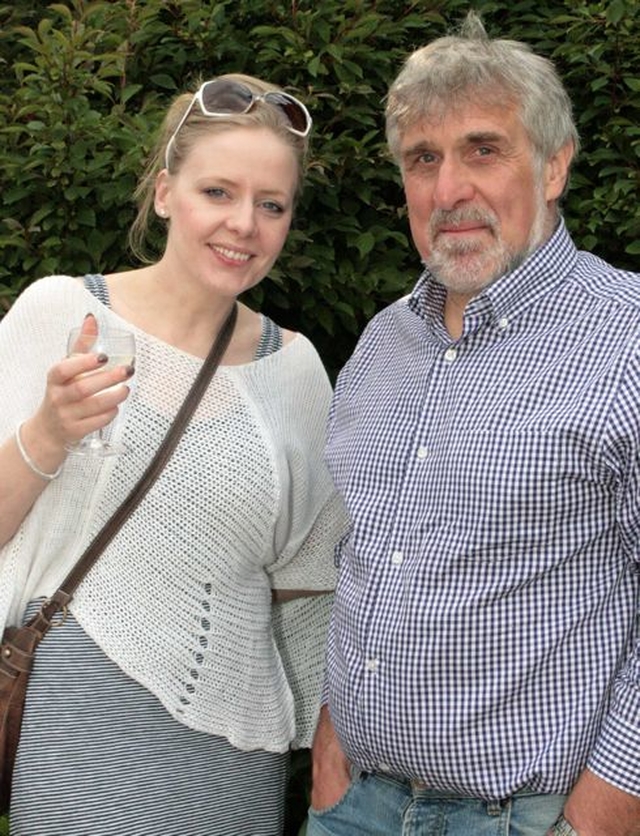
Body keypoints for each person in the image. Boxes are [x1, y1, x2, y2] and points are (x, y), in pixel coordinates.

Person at [308, 12, 640, 836]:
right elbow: (360, 561)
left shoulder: (627, 340)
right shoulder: (382, 342)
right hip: (353, 802)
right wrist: (328, 757)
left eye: (482, 150)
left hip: (528, 817)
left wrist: (600, 818)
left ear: (554, 165)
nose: (449, 189)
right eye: (424, 159)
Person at [0, 73, 346, 836]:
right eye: (217, 192)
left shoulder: (297, 370)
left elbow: (311, 581)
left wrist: (331, 751)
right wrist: (48, 435)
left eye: (271, 204)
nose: (243, 225)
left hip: (237, 744)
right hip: (78, 721)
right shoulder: (59, 312)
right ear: (164, 194)